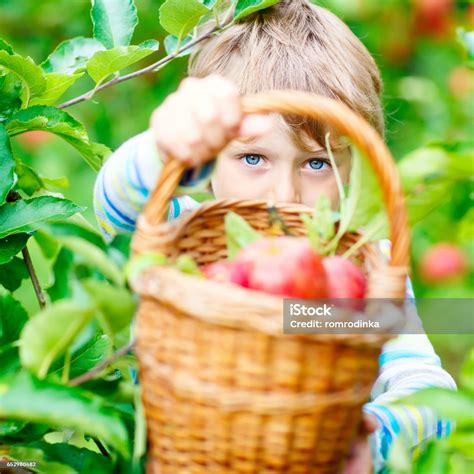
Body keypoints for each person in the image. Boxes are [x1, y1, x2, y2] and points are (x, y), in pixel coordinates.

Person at [93, 1, 455, 472]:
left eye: (318, 163)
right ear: (208, 160)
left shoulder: (364, 275)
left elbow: (428, 388)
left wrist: (375, 438)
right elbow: (113, 205)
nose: (284, 193)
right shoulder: (180, 235)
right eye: (253, 159)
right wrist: (168, 146)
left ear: (355, 168)